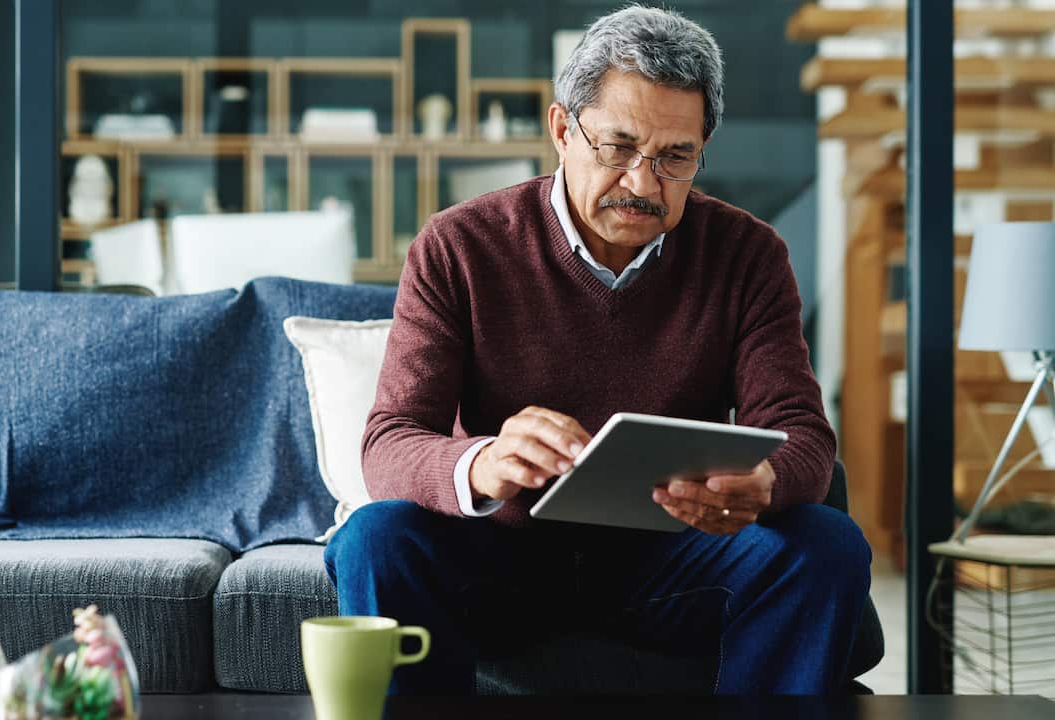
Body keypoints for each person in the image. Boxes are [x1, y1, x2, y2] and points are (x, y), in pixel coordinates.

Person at [325, 4, 871, 695]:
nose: (644, 184)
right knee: (378, 536)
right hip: (500, 564)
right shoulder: (458, 245)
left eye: (676, 157)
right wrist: (481, 462)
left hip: (672, 566)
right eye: (619, 147)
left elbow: (804, 437)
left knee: (826, 543)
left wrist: (764, 485)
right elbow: (389, 442)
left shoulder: (747, 255)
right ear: (562, 129)